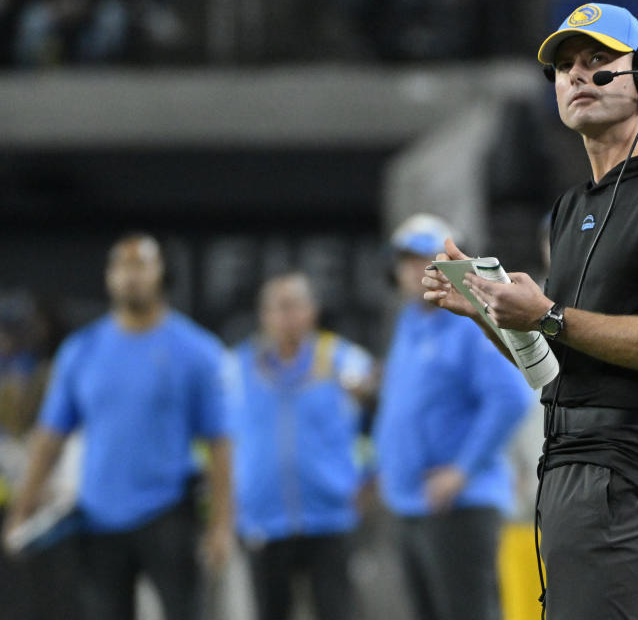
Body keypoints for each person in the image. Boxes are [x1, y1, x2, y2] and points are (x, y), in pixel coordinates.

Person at [424, 3, 638, 620]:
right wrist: (488, 314)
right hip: (571, 465)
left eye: (598, 61)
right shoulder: (572, 207)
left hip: (635, 470)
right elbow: (554, 372)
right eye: (565, 66)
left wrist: (548, 315)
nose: (576, 76)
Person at [2, 233, 233, 620]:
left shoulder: (196, 351)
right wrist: (22, 509)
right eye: (122, 266)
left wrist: (223, 524)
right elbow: (49, 438)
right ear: (109, 276)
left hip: (169, 511)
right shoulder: (81, 350)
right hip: (97, 515)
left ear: (159, 273)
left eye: (141, 264)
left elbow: (220, 442)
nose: (131, 276)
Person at [375, 213, 530, 620]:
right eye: (407, 261)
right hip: (412, 504)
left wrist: (461, 471)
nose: (416, 271)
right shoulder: (410, 323)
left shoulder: (468, 322)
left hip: (458, 505)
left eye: (427, 260)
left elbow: (511, 398)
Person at [231, 271, 375, 620]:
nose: (287, 316)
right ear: (263, 314)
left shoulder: (343, 361)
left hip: (330, 517)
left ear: (313, 311)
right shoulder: (236, 368)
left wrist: (371, 475)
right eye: (278, 308)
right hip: (263, 520)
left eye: (295, 306)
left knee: (338, 611)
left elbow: (384, 420)